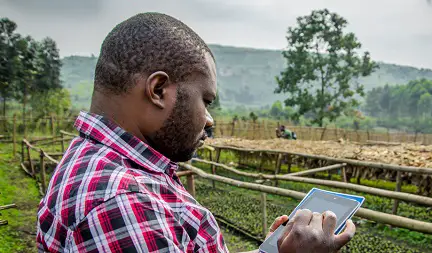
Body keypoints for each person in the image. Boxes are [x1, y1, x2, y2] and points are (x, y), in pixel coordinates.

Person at [36, 12, 355, 253]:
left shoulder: (98, 162)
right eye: (206, 100)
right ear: (158, 90)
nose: (210, 119)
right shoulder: (125, 202)